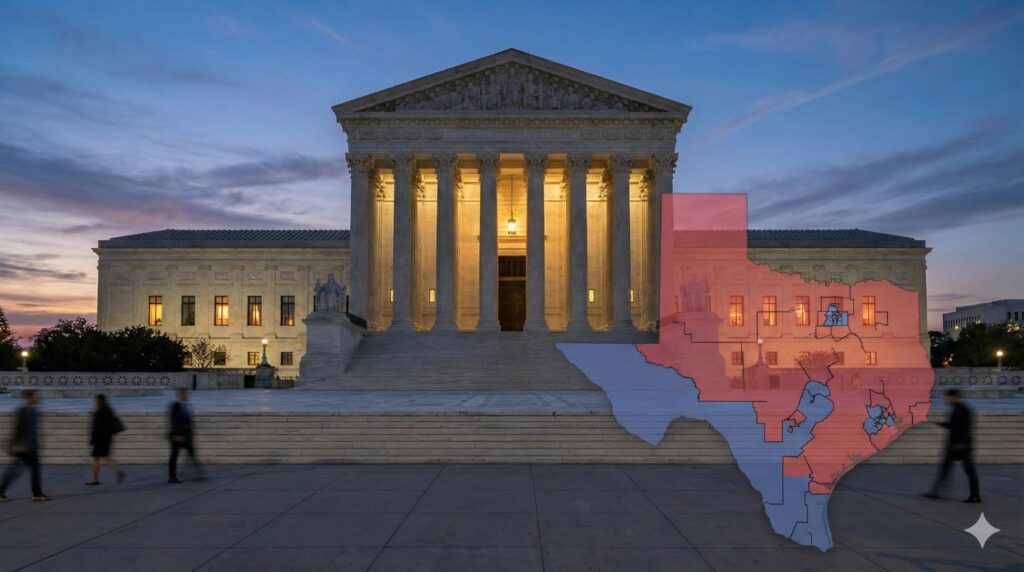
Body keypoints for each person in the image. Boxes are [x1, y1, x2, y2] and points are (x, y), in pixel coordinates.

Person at [924, 389, 981, 503]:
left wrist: (962, 443)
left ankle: (975, 496)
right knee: (945, 469)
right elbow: (954, 426)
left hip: (962, 446)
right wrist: (942, 424)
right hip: (954, 446)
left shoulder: (964, 410)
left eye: (949, 398)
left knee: (969, 471)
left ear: (956, 397)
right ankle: (935, 491)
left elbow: (966, 429)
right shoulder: (956, 409)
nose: (947, 400)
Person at [0, 390, 49, 502]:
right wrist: (13, 444)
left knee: (34, 470)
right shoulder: (23, 411)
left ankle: (37, 494)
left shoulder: (34, 411)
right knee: (14, 471)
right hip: (23, 447)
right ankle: (1, 491)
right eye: (36, 396)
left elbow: (34, 430)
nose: (38, 398)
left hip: (31, 446)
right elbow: (17, 429)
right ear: (29, 397)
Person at [87, 394, 126, 485]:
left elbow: (96, 427)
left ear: (99, 401)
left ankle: (95, 479)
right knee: (106, 458)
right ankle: (118, 472)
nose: (95, 402)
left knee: (96, 458)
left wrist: (92, 439)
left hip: (99, 438)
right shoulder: (109, 410)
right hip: (107, 438)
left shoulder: (99, 411)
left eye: (96, 401)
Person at [167, 388, 203, 483]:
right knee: (174, 456)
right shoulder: (175, 406)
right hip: (177, 436)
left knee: (192, 454)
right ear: (180, 395)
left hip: (186, 435)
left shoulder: (187, 405)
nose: (187, 396)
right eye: (185, 394)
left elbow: (188, 420)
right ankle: (172, 477)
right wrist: (177, 434)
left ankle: (200, 473)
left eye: (187, 394)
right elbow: (173, 421)